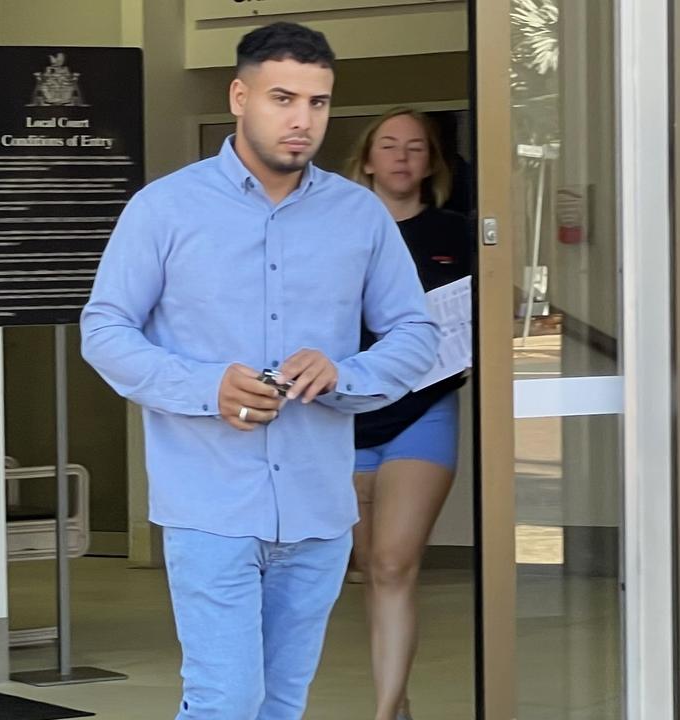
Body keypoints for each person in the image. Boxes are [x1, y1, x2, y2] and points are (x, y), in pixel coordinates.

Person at [80, 22, 439, 720]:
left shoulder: (359, 215)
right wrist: (205, 387)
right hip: (210, 504)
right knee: (225, 701)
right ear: (239, 96)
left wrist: (344, 374)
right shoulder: (164, 208)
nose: (302, 120)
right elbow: (104, 328)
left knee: (280, 705)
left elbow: (416, 333)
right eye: (283, 98)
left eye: (319, 102)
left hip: (317, 508)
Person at [343, 107, 472, 720]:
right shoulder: (337, 232)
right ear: (367, 160)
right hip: (343, 417)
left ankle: (384, 710)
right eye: (388, 146)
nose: (401, 157)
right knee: (371, 567)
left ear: (431, 162)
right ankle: (397, 705)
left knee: (395, 562)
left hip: (422, 413)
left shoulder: (457, 235)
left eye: (415, 147)